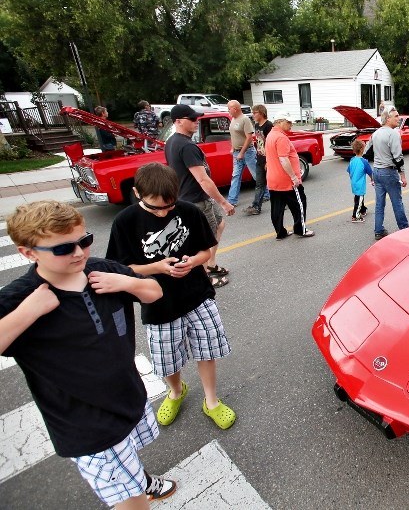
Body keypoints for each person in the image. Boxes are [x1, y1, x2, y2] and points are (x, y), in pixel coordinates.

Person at [0, 200, 176, 508]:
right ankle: (137, 487)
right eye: (62, 249)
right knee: (131, 502)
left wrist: (126, 282)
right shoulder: (19, 298)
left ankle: (141, 479)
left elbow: (155, 292)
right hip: (85, 423)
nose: (80, 253)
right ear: (28, 253)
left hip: (127, 396)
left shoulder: (101, 270)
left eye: (84, 241)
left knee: (129, 457)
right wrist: (28, 312)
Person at [107, 163, 236, 431]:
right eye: (156, 208)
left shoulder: (187, 210)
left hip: (198, 295)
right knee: (166, 358)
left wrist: (193, 262)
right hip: (158, 304)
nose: (164, 212)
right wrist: (157, 267)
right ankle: (176, 391)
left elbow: (206, 250)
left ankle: (211, 400)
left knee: (207, 349)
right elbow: (122, 269)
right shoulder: (125, 222)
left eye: (170, 205)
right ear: (136, 193)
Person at [164, 104, 234, 285]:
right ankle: (204, 278)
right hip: (196, 201)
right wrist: (224, 203)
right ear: (178, 121)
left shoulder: (172, 142)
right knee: (202, 241)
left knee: (219, 224)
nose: (196, 122)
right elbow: (203, 180)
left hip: (190, 198)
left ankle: (210, 264)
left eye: (196, 118)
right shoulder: (186, 146)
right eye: (192, 119)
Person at [265, 111, 315, 239]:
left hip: (273, 178)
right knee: (299, 203)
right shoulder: (281, 137)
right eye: (288, 122)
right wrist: (293, 177)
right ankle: (300, 229)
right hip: (286, 180)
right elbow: (283, 159)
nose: (291, 124)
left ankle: (280, 232)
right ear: (280, 122)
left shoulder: (270, 135)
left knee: (277, 207)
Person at [369, 107, 409, 240]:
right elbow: (398, 157)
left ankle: (378, 230)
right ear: (388, 118)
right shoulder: (393, 134)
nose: (398, 119)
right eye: (396, 116)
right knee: (397, 202)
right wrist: (403, 175)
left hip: (377, 171)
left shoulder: (375, 134)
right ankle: (404, 227)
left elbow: (367, 152)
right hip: (389, 171)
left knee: (379, 203)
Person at [225, 100, 258, 208]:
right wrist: (233, 148)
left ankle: (267, 193)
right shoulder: (233, 119)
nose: (228, 110)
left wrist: (242, 153)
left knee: (256, 175)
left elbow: (249, 138)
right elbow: (234, 136)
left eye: (229, 108)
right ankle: (232, 200)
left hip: (247, 152)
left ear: (235, 108)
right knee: (236, 176)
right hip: (236, 152)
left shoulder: (245, 119)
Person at [244, 104, 272, 215]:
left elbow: (271, 144)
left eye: (255, 112)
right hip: (260, 158)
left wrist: (268, 160)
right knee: (259, 184)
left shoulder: (268, 126)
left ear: (262, 113)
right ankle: (256, 207)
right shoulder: (256, 125)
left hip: (268, 159)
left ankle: (285, 203)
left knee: (274, 184)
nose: (253, 115)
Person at [347, 139, 373, 222]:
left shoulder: (352, 160)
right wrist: (373, 179)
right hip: (360, 184)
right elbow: (370, 172)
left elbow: (349, 171)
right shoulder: (364, 161)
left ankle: (363, 209)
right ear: (362, 149)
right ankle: (355, 216)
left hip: (353, 182)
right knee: (359, 198)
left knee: (359, 197)